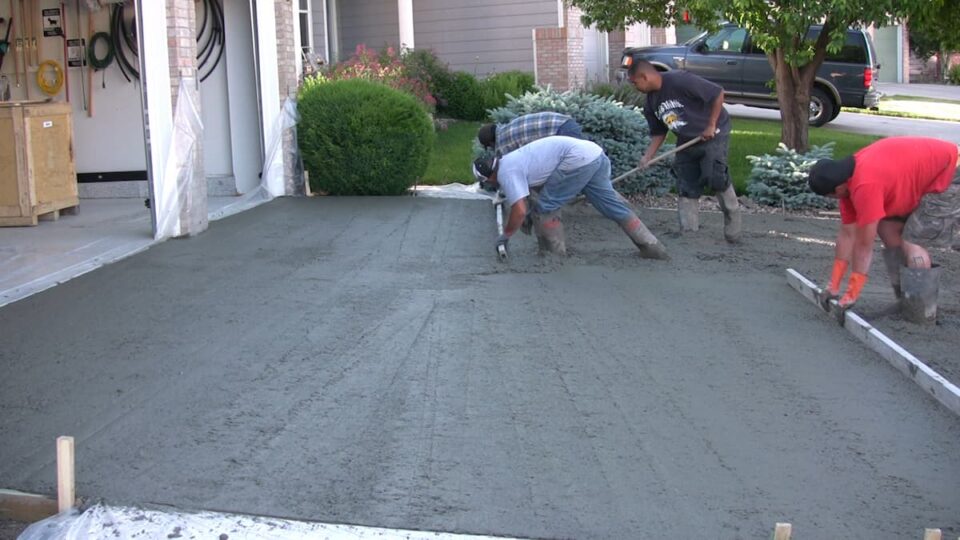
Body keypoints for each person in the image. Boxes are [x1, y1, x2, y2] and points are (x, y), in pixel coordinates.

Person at [807, 136, 959, 308]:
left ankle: (920, 310)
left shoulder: (865, 185)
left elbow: (864, 245)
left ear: (838, 189)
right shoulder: (847, 180)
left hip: (951, 170)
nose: (833, 199)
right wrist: (833, 286)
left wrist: (852, 293)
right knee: (887, 228)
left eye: (830, 196)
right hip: (930, 170)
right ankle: (906, 298)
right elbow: (847, 235)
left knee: (913, 240)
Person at [472, 135, 669, 260]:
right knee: (610, 206)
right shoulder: (511, 160)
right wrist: (528, 215)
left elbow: (520, 209)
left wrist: (505, 236)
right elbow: (534, 191)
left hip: (577, 160)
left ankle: (553, 255)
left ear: (489, 176)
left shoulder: (507, 172)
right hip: (594, 155)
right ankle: (652, 247)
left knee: (546, 206)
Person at [627, 60, 741, 242]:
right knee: (686, 182)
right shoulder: (650, 103)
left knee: (714, 175)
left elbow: (717, 93)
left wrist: (711, 125)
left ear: (644, 76)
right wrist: (647, 157)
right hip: (686, 139)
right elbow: (658, 133)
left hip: (714, 132)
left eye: (634, 82)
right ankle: (689, 233)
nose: (634, 87)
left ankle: (732, 216)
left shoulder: (679, 80)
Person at [478, 111, 583, 157]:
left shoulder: (503, 143)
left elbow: (509, 171)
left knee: (574, 170)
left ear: (491, 143)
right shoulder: (506, 128)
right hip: (565, 122)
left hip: (562, 130)